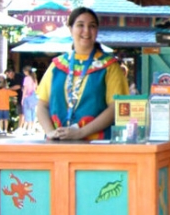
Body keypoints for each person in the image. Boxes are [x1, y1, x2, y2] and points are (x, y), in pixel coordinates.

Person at [37, 7, 129, 141]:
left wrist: (80, 133)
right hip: (57, 146)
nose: (86, 31)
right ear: (70, 29)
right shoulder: (57, 65)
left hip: (96, 146)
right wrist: (51, 132)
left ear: (97, 31)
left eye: (92, 26)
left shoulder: (109, 66)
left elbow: (116, 108)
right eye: (80, 25)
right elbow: (42, 105)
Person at [5, 68, 24, 133]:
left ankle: (21, 128)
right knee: (20, 113)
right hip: (18, 97)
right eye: (7, 75)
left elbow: (18, 86)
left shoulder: (19, 76)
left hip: (24, 96)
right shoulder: (10, 80)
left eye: (8, 74)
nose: (8, 76)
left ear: (11, 72)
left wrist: (8, 89)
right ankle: (20, 128)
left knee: (22, 113)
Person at [21, 65, 38, 136]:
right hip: (34, 97)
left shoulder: (27, 78)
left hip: (27, 97)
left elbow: (25, 89)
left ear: (27, 71)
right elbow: (36, 88)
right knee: (33, 113)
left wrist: (22, 98)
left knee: (27, 113)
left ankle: (28, 129)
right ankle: (32, 129)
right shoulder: (34, 79)